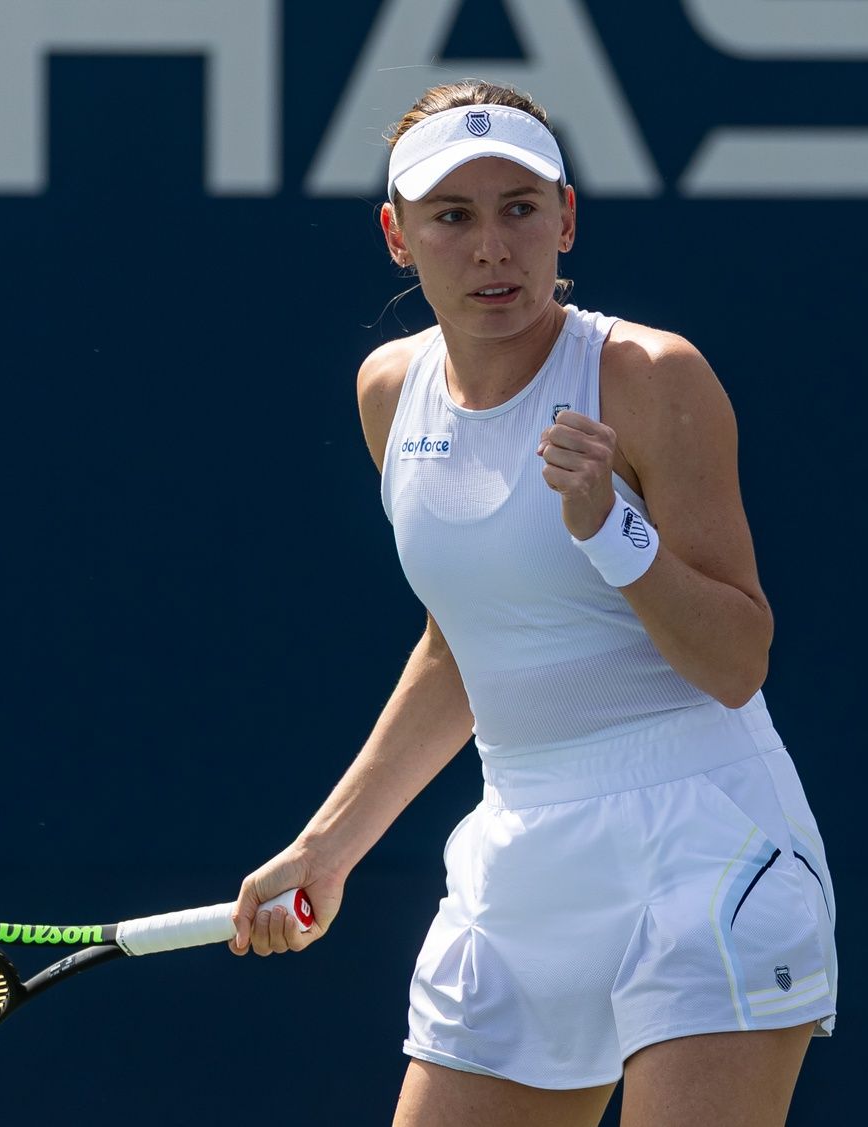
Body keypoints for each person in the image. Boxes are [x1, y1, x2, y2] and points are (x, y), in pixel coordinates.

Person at [230, 80, 837, 1127]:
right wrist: (328, 844)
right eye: (450, 216)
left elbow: (736, 660)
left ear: (565, 218)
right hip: (518, 859)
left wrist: (612, 531)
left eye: (518, 208)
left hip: (704, 842)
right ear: (396, 236)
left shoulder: (650, 375)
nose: (490, 248)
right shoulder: (389, 391)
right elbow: (463, 644)